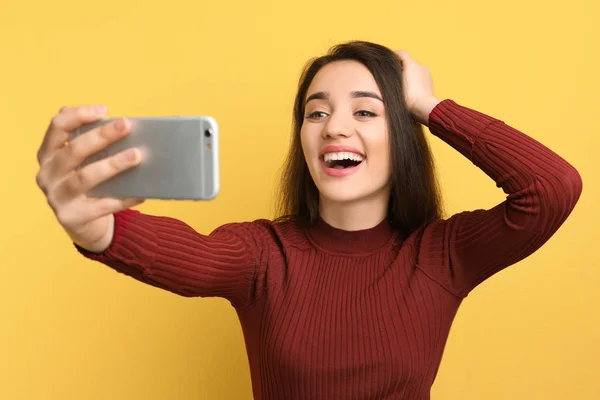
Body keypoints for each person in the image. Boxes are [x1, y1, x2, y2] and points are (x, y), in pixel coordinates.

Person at [35, 41, 582, 399]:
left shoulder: (441, 255)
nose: (333, 127)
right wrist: (91, 224)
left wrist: (428, 105)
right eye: (316, 112)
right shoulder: (263, 255)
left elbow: (551, 189)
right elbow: (187, 255)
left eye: (366, 111)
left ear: (402, 135)